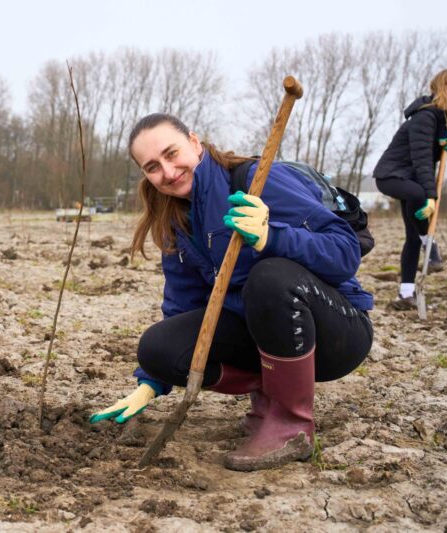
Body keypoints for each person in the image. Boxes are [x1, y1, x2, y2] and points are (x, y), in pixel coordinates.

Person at [89, 113, 374, 471]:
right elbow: (185, 304)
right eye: (152, 167)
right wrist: (151, 379)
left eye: (171, 153)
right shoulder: (175, 219)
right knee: (157, 348)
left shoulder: (257, 180)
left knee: (268, 276)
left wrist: (273, 237)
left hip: (335, 333)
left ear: (194, 142)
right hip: (262, 334)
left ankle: (290, 426)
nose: (168, 171)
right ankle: (274, 389)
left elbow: (344, 252)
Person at [373, 69, 447, 309]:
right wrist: (430, 196)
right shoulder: (426, 116)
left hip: (412, 177)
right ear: (443, 87)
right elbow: (421, 159)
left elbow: (429, 157)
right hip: (391, 175)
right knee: (418, 196)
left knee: (410, 236)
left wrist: (444, 139)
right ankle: (429, 247)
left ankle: (405, 294)